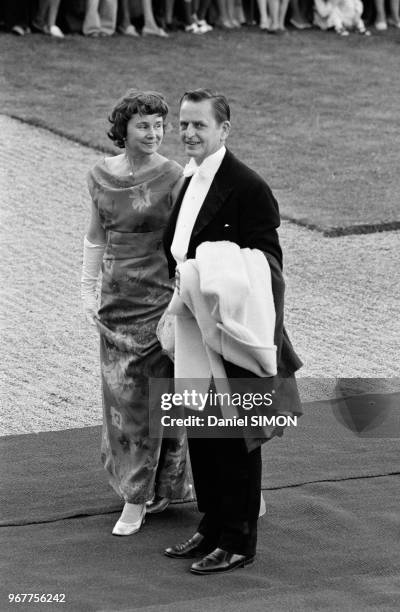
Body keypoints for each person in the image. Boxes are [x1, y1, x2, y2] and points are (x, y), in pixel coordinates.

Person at [163, 89, 302, 575]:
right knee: (203, 428)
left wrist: (208, 275)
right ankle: (213, 523)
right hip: (195, 323)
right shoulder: (187, 179)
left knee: (237, 434)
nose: (188, 133)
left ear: (225, 129)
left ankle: (239, 538)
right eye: (183, 124)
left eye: (199, 125)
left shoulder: (248, 186)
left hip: (234, 327)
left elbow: (269, 264)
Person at [81, 90, 192, 536]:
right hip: (115, 304)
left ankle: (138, 496)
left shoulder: (175, 177)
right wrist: (87, 291)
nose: (154, 133)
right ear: (123, 129)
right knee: (120, 401)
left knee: (150, 401)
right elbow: (95, 236)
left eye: (159, 125)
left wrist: (178, 302)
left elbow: (186, 247)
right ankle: (151, 487)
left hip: (158, 302)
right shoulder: (100, 175)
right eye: (144, 125)